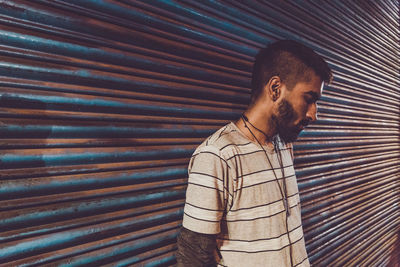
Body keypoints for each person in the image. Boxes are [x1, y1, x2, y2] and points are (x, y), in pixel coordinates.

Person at [176, 40, 332, 267]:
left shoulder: (284, 145)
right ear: (276, 89)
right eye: (309, 99)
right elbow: (192, 256)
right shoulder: (217, 156)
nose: (313, 114)